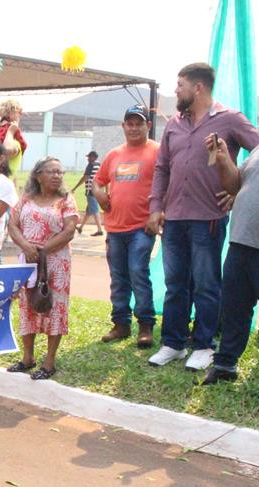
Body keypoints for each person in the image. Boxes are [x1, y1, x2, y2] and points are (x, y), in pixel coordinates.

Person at [147, 62, 259, 371]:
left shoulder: (230, 120)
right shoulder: (173, 124)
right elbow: (162, 169)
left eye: (180, 85)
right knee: (175, 284)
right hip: (173, 218)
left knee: (206, 284)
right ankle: (173, 343)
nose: (176, 91)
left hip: (208, 218)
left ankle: (203, 345)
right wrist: (156, 207)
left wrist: (238, 189)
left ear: (198, 88)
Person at [202, 89, 259, 403]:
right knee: (235, 309)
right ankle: (225, 364)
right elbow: (235, 186)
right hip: (240, 244)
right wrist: (224, 159)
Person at [93, 104, 160, 347]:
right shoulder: (114, 154)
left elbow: (167, 184)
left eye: (138, 123)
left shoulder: (157, 152)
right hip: (115, 228)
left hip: (142, 227)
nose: (133, 128)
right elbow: (98, 182)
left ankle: (145, 325)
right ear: (123, 126)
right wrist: (99, 194)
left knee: (138, 273)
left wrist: (159, 213)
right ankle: (120, 324)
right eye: (129, 124)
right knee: (118, 277)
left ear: (148, 126)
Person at [6, 156, 79, 380]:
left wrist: (43, 250)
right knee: (27, 306)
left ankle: (49, 362)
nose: (57, 176)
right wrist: (27, 247)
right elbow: (13, 225)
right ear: (38, 175)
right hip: (28, 263)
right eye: (52, 172)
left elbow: (69, 231)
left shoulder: (66, 199)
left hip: (56, 264)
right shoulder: (26, 199)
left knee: (54, 307)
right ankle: (28, 357)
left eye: (60, 172)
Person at [72, 151, 103, 236]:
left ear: (93, 157)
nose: (88, 159)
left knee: (95, 210)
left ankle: (99, 230)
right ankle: (81, 227)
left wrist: (75, 187)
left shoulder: (91, 165)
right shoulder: (98, 164)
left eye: (89, 157)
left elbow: (85, 178)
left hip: (91, 190)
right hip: (97, 189)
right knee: (89, 211)